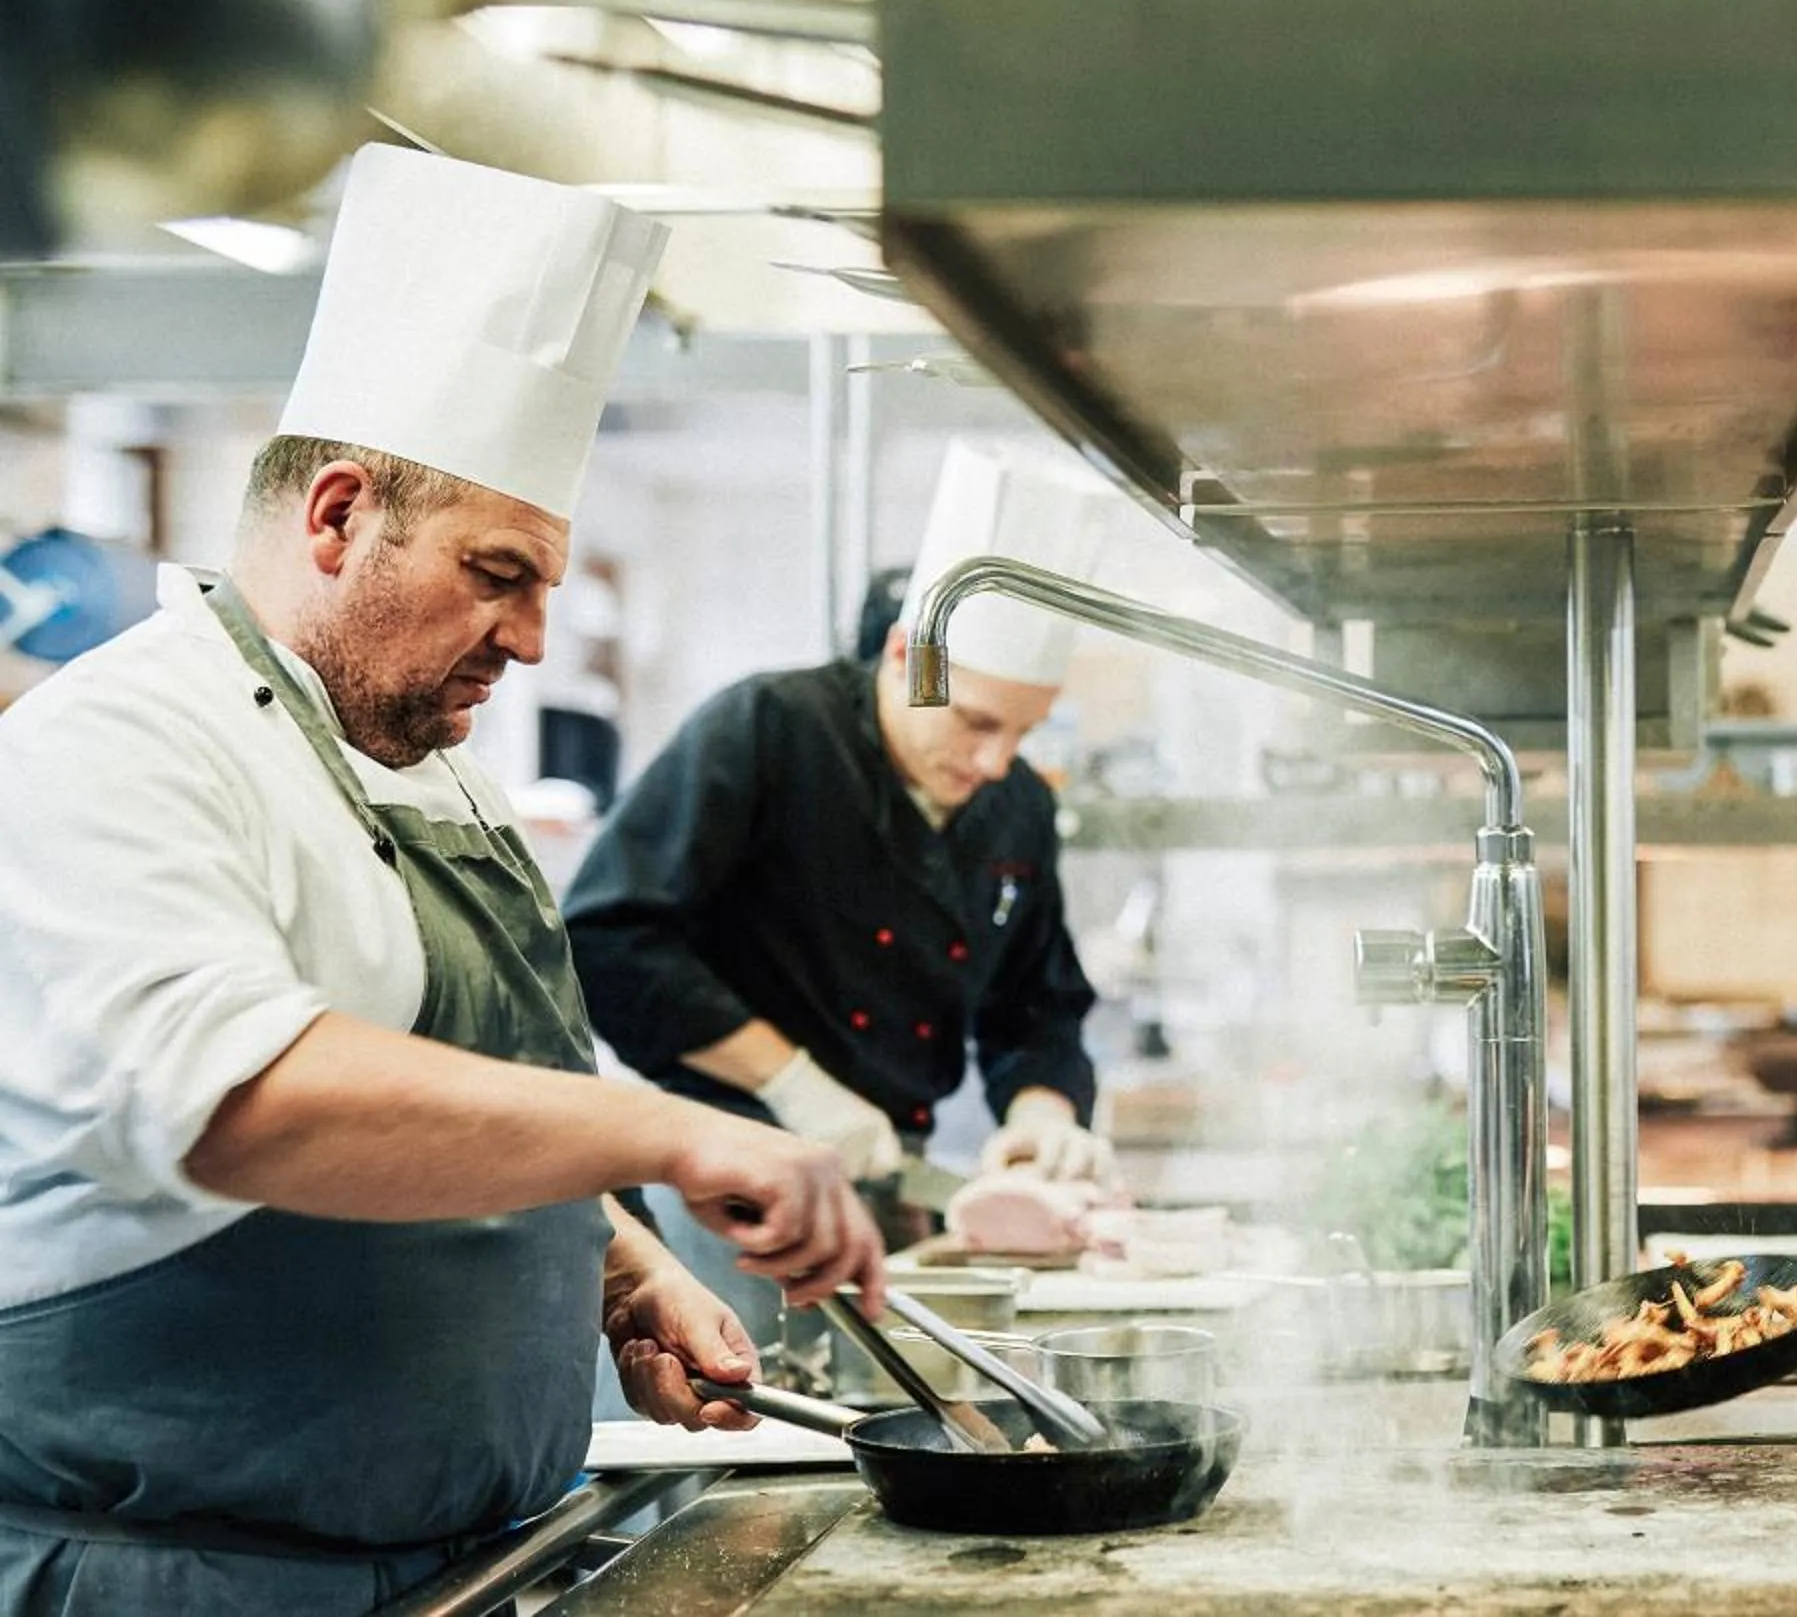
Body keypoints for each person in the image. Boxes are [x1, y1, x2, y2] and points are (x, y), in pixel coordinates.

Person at [0, 146, 889, 1612]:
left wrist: (607, 1263)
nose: (534, 639)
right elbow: (244, 1106)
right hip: (189, 1587)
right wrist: (671, 1133)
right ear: (338, 516)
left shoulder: (437, 767)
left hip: (461, 1571)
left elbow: (438, 1086)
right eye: (498, 573)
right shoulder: (117, 746)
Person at [565, 439, 1115, 1271]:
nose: (997, 762)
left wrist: (1042, 1117)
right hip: (725, 1196)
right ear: (904, 657)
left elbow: (1035, 1006)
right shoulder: (769, 730)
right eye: (975, 721)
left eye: (1026, 730)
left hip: (890, 1188)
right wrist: (791, 1084)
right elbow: (610, 941)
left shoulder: (1017, 803)